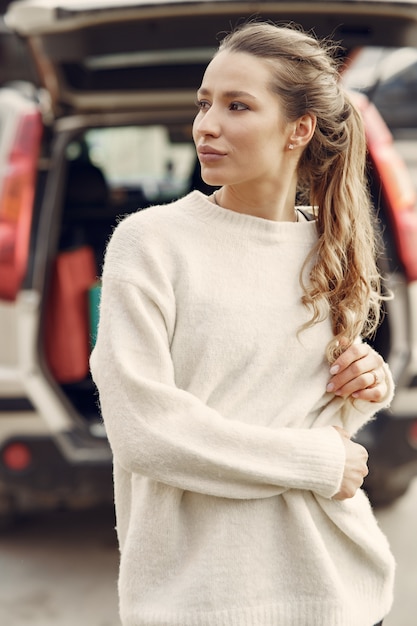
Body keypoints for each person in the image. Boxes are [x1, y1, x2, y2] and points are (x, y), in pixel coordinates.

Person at [90, 21, 395, 626]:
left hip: (339, 592)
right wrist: (315, 461)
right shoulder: (150, 243)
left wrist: (366, 383)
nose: (207, 124)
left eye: (237, 106)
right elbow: (145, 430)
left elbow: (314, 418)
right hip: (200, 602)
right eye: (205, 103)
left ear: (298, 130)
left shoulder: (329, 247)